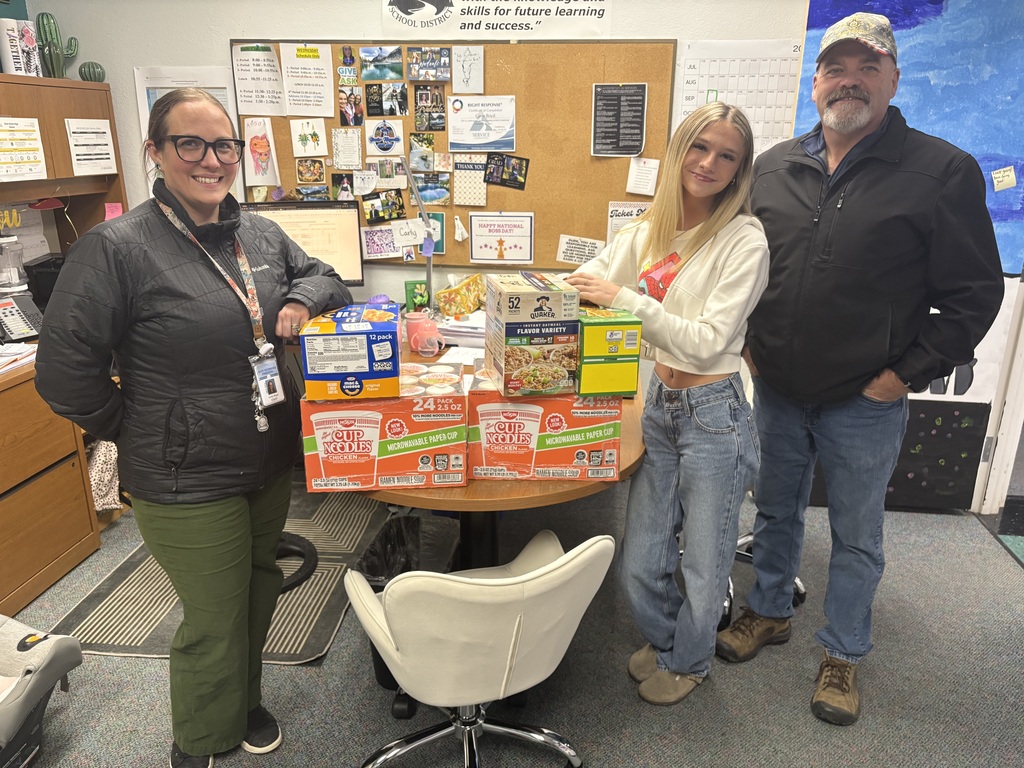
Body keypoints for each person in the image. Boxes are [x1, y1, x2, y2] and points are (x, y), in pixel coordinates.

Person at [34, 88, 352, 768]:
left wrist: (298, 298)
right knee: (213, 616)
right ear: (155, 151)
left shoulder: (258, 234)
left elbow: (326, 276)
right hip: (183, 476)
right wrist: (142, 426)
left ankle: (242, 702)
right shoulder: (114, 248)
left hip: (264, 457)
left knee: (260, 588)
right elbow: (62, 373)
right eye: (191, 144)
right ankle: (200, 744)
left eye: (224, 145)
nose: (211, 160)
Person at [714, 13, 1004, 726]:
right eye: (836, 67)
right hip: (779, 386)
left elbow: (974, 295)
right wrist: (748, 343)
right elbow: (742, 268)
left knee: (856, 533)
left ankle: (843, 651)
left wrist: (903, 375)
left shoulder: (942, 171)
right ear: (816, 83)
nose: (851, 79)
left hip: (867, 399)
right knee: (775, 511)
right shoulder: (774, 165)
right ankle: (771, 610)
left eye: (868, 67)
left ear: (893, 79)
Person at [565, 101, 769, 706]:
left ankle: (690, 659)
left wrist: (624, 299)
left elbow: (707, 341)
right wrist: (532, 297)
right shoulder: (648, 230)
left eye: (726, 155)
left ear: (740, 168)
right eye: (699, 147)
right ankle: (669, 639)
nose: (708, 163)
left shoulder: (744, 240)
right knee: (641, 561)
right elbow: (588, 281)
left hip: (716, 414)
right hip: (661, 405)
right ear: (678, 150)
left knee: (705, 568)